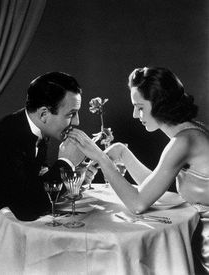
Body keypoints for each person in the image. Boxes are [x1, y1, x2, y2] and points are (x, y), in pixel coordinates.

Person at [67, 67, 209, 274]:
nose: (135, 115)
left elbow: (138, 204)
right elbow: (152, 188)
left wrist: (100, 158)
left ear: (160, 104)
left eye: (140, 107)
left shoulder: (183, 142)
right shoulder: (190, 133)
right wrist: (123, 153)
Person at [0, 71, 90, 274]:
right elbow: (27, 208)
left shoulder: (33, 128)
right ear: (44, 114)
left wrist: (75, 172)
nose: (77, 122)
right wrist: (66, 162)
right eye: (71, 114)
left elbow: (34, 182)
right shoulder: (4, 138)